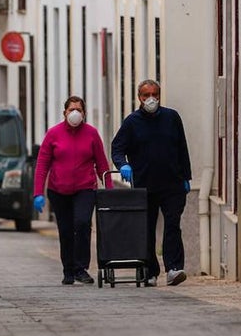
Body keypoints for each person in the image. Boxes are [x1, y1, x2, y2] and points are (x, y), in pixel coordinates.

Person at [111, 79, 192, 287]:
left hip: (172, 183)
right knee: (146, 228)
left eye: (154, 94)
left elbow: (182, 148)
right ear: (139, 97)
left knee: (173, 224)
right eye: (146, 95)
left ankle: (174, 268)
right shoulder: (132, 122)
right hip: (145, 185)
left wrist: (186, 177)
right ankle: (149, 271)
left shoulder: (172, 118)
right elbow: (117, 149)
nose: (151, 99)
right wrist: (123, 166)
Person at [33, 96, 112, 285]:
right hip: (58, 190)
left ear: (84, 113)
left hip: (85, 188)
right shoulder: (53, 134)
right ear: (65, 113)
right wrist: (38, 193)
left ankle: (81, 268)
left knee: (83, 223)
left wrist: (109, 188)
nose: (75, 113)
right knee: (66, 230)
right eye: (71, 110)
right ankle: (68, 270)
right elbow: (42, 165)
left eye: (79, 109)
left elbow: (102, 164)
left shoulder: (91, 134)